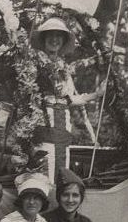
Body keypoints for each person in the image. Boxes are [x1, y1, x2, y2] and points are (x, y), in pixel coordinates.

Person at [29, 17, 105, 184]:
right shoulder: (33, 62)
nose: (54, 39)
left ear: (63, 41)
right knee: (44, 171)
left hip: (63, 125)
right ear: (43, 38)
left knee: (62, 172)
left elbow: (70, 99)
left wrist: (97, 94)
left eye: (59, 36)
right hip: (44, 123)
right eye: (50, 35)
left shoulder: (64, 68)